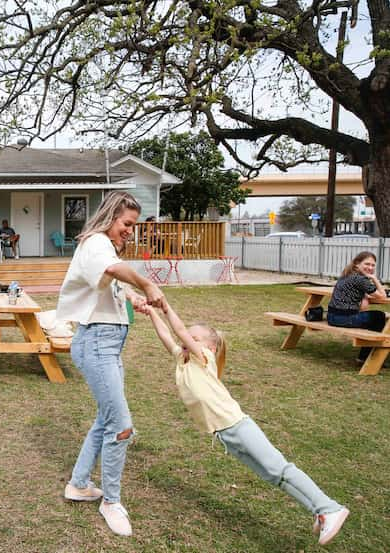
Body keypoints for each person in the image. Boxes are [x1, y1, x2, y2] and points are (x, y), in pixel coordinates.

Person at [143, 301, 349, 546]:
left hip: (238, 426)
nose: (188, 341)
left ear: (209, 347)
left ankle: (330, 507)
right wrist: (151, 313)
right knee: (275, 477)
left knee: (281, 469)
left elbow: (177, 331)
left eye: (194, 338)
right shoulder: (182, 360)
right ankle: (320, 511)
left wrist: (165, 306)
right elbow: (167, 336)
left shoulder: (203, 357)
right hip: (227, 435)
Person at [56, 191, 165, 537]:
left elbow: (108, 287)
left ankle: (78, 484)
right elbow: (113, 269)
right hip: (96, 345)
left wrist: (132, 297)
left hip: (108, 344)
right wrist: (146, 283)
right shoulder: (95, 244)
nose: (130, 231)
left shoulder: (104, 249)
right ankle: (111, 502)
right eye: (126, 224)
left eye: (133, 225)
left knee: (106, 420)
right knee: (121, 426)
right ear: (109, 219)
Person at [327, 251, 387, 363]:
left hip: (331, 316)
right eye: (367, 264)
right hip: (342, 319)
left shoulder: (347, 274)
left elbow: (362, 302)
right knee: (379, 316)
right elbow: (382, 296)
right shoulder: (360, 279)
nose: (370, 267)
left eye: (373, 265)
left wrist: (364, 296)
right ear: (357, 264)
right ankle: (365, 357)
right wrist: (374, 278)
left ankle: (365, 353)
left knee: (372, 317)